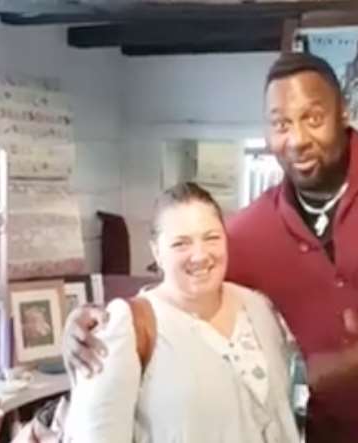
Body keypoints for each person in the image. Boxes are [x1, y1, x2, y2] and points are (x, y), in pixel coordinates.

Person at [64, 53, 358, 443]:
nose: (297, 139)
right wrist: (99, 323)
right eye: (280, 123)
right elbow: (190, 281)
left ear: (342, 113)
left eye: (312, 117)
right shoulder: (250, 231)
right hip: (336, 435)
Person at [65, 182, 301, 443]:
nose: (199, 256)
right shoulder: (128, 326)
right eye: (181, 244)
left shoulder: (258, 308)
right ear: (157, 251)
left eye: (211, 237)